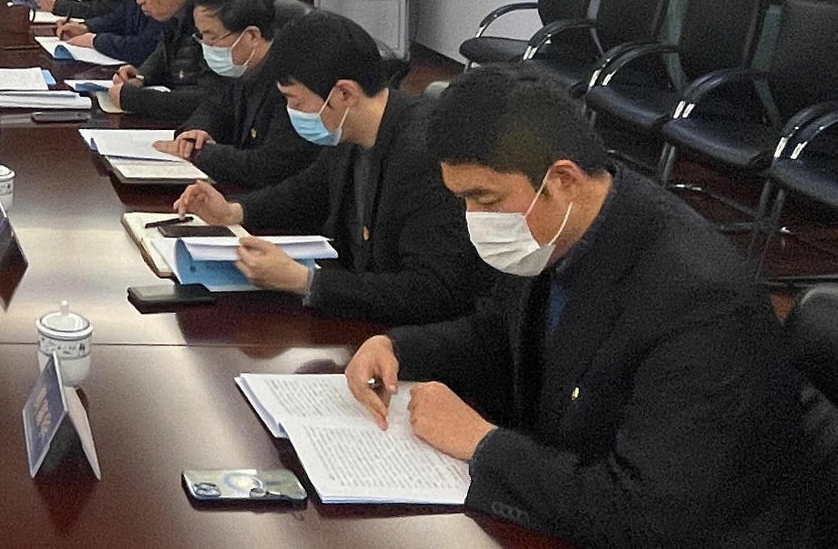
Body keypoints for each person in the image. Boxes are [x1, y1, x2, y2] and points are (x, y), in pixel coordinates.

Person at [342, 66, 837, 549]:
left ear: (563, 179)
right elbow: (500, 332)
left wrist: (483, 443)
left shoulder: (699, 300)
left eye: (486, 200)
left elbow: (648, 515)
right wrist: (398, 347)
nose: (475, 221)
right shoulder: (556, 229)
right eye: (463, 201)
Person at [172, 10, 486, 324]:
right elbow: (307, 192)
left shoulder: (423, 156)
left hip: (400, 335)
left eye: (296, 101)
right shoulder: (349, 131)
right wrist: (233, 211)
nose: (291, 111)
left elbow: (433, 290)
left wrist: (305, 281)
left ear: (344, 93)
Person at [151, 0, 318, 188]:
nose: (206, 46)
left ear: (252, 36)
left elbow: (270, 166)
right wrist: (196, 132)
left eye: (212, 37)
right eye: (201, 36)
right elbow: (214, 106)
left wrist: (199, 152)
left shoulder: (292, 83)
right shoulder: (241, 65)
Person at [106, 0, 222, 125]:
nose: (138, 0)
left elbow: (213, 100)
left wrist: (136, 99)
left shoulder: (216, 11)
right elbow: (165, 50)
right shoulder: (176, 9)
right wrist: (141, 76)